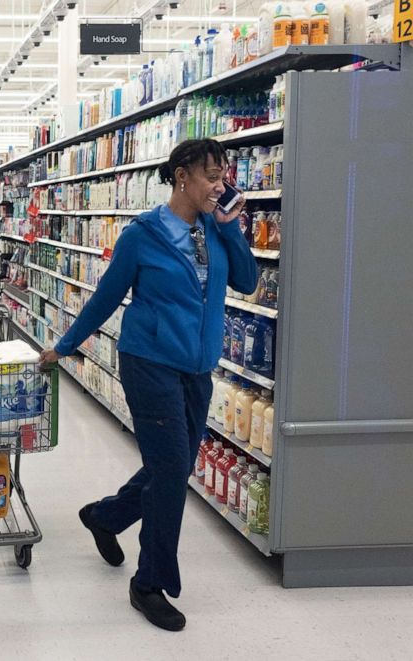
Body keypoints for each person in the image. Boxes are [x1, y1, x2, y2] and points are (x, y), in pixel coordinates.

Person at [38, 139, 257, 632]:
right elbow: (106, 297)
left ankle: (106, 516)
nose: (219, 185)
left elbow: (246, 282)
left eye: (222, 176)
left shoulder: (215, 229)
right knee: (173, 470)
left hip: (197, 368)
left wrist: (233, 230)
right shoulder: (143, 236)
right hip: (148, 362)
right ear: (182, 176)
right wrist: (65, 346)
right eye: (210, 176)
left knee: (169, 467)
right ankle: (149, 583)